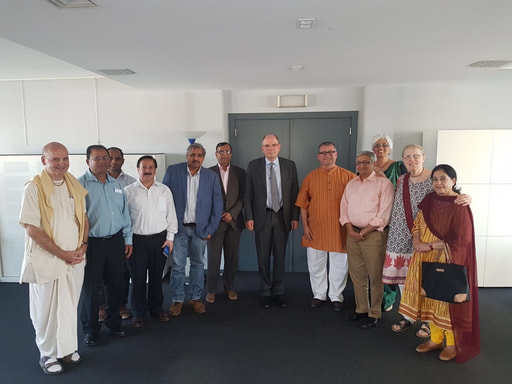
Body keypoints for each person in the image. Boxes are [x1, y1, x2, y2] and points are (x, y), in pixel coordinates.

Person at [384, 145, 472, 337]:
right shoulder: (401, 179)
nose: (412, 160)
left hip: (430, 239)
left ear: (424, 157)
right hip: (403, 234)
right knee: (405, 277)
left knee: (430, 277)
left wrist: (467, 197)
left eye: (416, 156)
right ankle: (408, 315)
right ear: (402, 159)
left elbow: (452, 196)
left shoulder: (435, 177)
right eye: (407, 156)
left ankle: (427, 320)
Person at [398, 164, 480, 362]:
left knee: (445, 301)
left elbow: (461, 239)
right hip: (423, 257)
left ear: (453, 180)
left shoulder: (459, 205)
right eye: (435, 179)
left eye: (443, 178)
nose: (438, 182)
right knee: (431, 298)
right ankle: (435, 340)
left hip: (446, 258)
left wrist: (431, 246)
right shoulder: (429, 200)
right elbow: (417, 223)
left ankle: (451, 344)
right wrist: (417, 241)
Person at [19, 142, 88, 375]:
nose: (61, 164)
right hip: (47, 260)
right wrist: (62, 254)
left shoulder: (74, 185)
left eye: (65, 159)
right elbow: (31, 228)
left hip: (75, 260)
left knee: (69, 306)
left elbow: (84, 218)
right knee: (45, 310)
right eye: (55, 159)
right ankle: (47, 354)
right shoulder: (33, 188)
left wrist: (83, 246)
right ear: (44, 161)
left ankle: (67, 348)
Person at [79, 145, 133, 346]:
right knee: (91, 289)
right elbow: (77, 219)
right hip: (92, 244)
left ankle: (114, 323)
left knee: (116, 285)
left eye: (106, 158)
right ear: (88, 161)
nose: (103, 161)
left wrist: (128, 240)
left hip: (116, 241)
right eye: (97, 158)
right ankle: (90, 330)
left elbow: (124, 213)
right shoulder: (79, 185)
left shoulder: (116, 185)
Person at [162, 143, 223, 316]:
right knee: (178, 265)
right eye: (192, 154)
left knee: (198, 264)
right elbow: (164, 199)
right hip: (179, 228)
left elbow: (217, 205)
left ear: (203, 158)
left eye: (199, 155)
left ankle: (196, 298)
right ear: (187, 155)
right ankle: (177, 299)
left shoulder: (211, 176)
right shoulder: (173, 171)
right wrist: (169, 229)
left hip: (201, 230)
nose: (195, 158)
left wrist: (211, 229)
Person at [295, 142, 357, 311]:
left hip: (340, 229)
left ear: (336, 154)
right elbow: (302, 204)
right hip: (316, 228)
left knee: (339, 264)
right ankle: (319, 294)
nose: (327, 155)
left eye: (330, 152)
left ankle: (336, 295)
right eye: (323, 153)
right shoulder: (310, 177)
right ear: (318, 156)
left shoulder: (350, 177)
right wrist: (305, 226)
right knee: (316, 263)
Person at [340, 150, 394, 328]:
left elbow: (383, 214)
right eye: (358, 163)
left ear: (373, 163)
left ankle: (375, 312)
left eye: (365, 162)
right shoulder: (351, 184)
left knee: (375, 276)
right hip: (352, 234)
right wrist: (351, 231)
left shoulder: (383, 183)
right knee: (357, 275)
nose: (361, 166)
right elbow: (344, 209)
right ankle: (361, 309)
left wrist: (363, 232)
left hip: (373, 236)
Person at [245, 134, 299, 308]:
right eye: (267, 145)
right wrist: (250, 217)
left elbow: (294, 193)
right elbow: (248, 194)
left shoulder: (289, 165)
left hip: (282, 216)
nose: (270, 148)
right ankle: (266, 290)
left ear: (279, 146)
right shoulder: (254, 166)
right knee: (263, 256)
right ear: (262, 148)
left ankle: (279, 290)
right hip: (262, 216)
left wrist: (294, 217)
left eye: (274, 145)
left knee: (280, 256)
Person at [125, 156, 178, 327]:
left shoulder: (164, 190)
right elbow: (124, 219)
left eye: (150, 167)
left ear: (155, 170)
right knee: (138, 278)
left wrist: (170, 239)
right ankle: (138, 313)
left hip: (160, 241)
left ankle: (157, 309)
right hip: (136, 242)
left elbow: (171, 215)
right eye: (144, 167)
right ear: (138, 169)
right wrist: (127, 241)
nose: (147, 170)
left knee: (157, 277)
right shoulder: (128, 191)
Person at [206, 142, 246, 303]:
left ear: (231, 154)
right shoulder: (207, 173)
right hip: (215, 223)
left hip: (234, 222)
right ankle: (211, 290)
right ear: (216, 154)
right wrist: (218, 214)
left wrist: (232, 213)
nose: (224, 154)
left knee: (232, 258)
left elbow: (244, 196)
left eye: (227, 151)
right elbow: (204, 199)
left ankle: (230, 288)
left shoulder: (240, 173)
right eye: (221, 151)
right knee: (213, 259)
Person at [371, 134, 406, 312]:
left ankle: (388, 298)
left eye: (384, 145)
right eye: (377, 145)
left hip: (394, 220)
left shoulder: (399, 166)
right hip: (371, 221)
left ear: (390, 148)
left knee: (389, 262)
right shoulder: (367, 166)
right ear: (373, 149)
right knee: (374, 260)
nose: (381, 148)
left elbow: (407, 187)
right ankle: (374, 296)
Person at [106, 146, 137, 321]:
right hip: (102, 236)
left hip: (123, 235)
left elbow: (131, 212)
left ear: (122, 161)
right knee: (104, 273)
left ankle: (122, 304)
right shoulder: (96, 180)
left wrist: (129, 237)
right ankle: (103, 306)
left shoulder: (131, 182)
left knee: (124, 272)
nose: (113, 162)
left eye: (118, 159)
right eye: (110, 158)